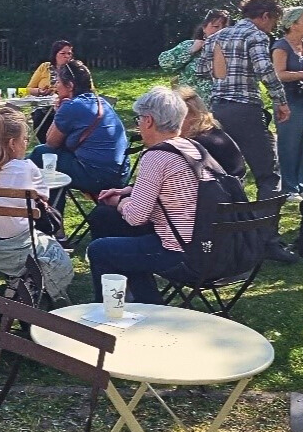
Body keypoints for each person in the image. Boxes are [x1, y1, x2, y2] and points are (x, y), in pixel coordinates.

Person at [197, 0, 298, 262]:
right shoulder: (255, 35)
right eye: (273, 20)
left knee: (228, 175)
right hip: (246, 109)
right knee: (268, 176)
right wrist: (280, 101)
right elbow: (266, 71)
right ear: (264, 15)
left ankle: (229, 237)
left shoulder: (217, 37)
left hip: (218, 110)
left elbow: (203, 71)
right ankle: (267, 242)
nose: (273, 27)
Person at [86, 86, 201, 303]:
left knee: (100, 250)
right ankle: (147, 302)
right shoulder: (193, 148)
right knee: (107, 221)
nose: (138, 125)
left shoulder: (156, 156)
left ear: (148, 121)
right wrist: (131, 191)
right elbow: (173, 190)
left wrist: (119, 201)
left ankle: (113, 313)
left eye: (139, 119)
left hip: (178, 251)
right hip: (207, 244)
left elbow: (136, 217)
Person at [0, 109, 74, 302]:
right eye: (25, 139)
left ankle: (18, 288)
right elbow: (43, 201)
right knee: (53, 251)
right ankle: (24, 289)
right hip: (17, 250)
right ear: (12, 144)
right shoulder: (26, 168)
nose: (26, 144)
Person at [29, 59, 130, 214]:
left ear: (70, 86)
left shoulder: (71, 106)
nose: (56, 86)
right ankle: (54, 221)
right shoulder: (101, 101)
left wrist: (59, 111)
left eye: (59, 82)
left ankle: (50, 221)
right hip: (121, 174)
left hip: (97, 176)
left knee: (41, 154)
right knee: (52, 163)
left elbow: (51, 142)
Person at [158, 8, 231, 105]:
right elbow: (165, 63)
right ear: (204, 28)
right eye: (215, 26)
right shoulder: (189, 45)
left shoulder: (232, 50)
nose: (219, 31)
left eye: (224, 28)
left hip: (220, 108)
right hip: (190, 108)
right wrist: (191, 51)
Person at [177, 87, 247, 179]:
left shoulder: (197, 143)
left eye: (176, 116)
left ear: (193, 114)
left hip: (223, 189)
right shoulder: (214, 132)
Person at [272, 6, 303, 205]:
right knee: (289, 144)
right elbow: (278, 73)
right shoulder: (281, 46)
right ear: (293, 24)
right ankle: (289, 187)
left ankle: (301, 183)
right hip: (287, 101)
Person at [26, 40, 74, 139]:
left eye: (69, 53)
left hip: (66, 106)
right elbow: (28, 89)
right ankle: (46, 146)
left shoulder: (75, 69)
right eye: (63, 53)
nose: (66, 56)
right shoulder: (45, 67)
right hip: (44, 106)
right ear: (55, 54)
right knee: (40, 117)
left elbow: (88, 89)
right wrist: (40, 91)